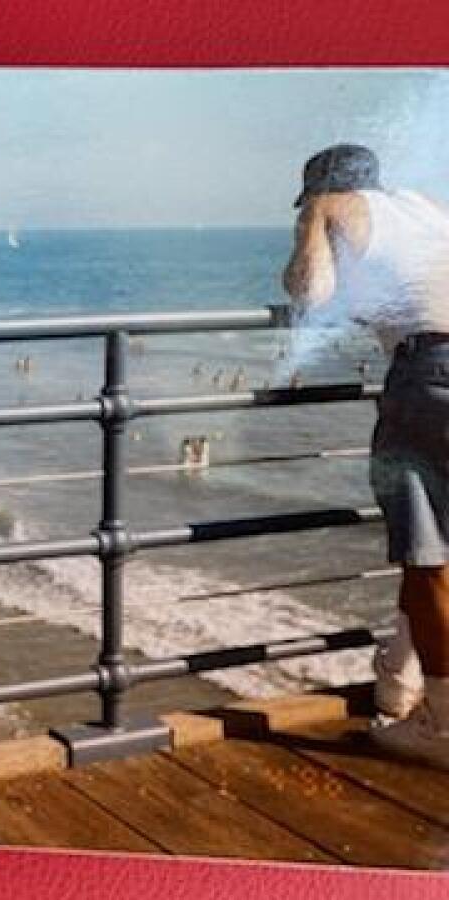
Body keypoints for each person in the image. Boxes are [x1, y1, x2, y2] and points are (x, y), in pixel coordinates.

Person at [283, 143, 449, 767]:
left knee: (427, 551)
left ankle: (442, 729)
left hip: (431, 376)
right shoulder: (428, 207)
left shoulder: (331, 207)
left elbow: (310, 291)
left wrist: (309, 233)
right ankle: (401, 688)